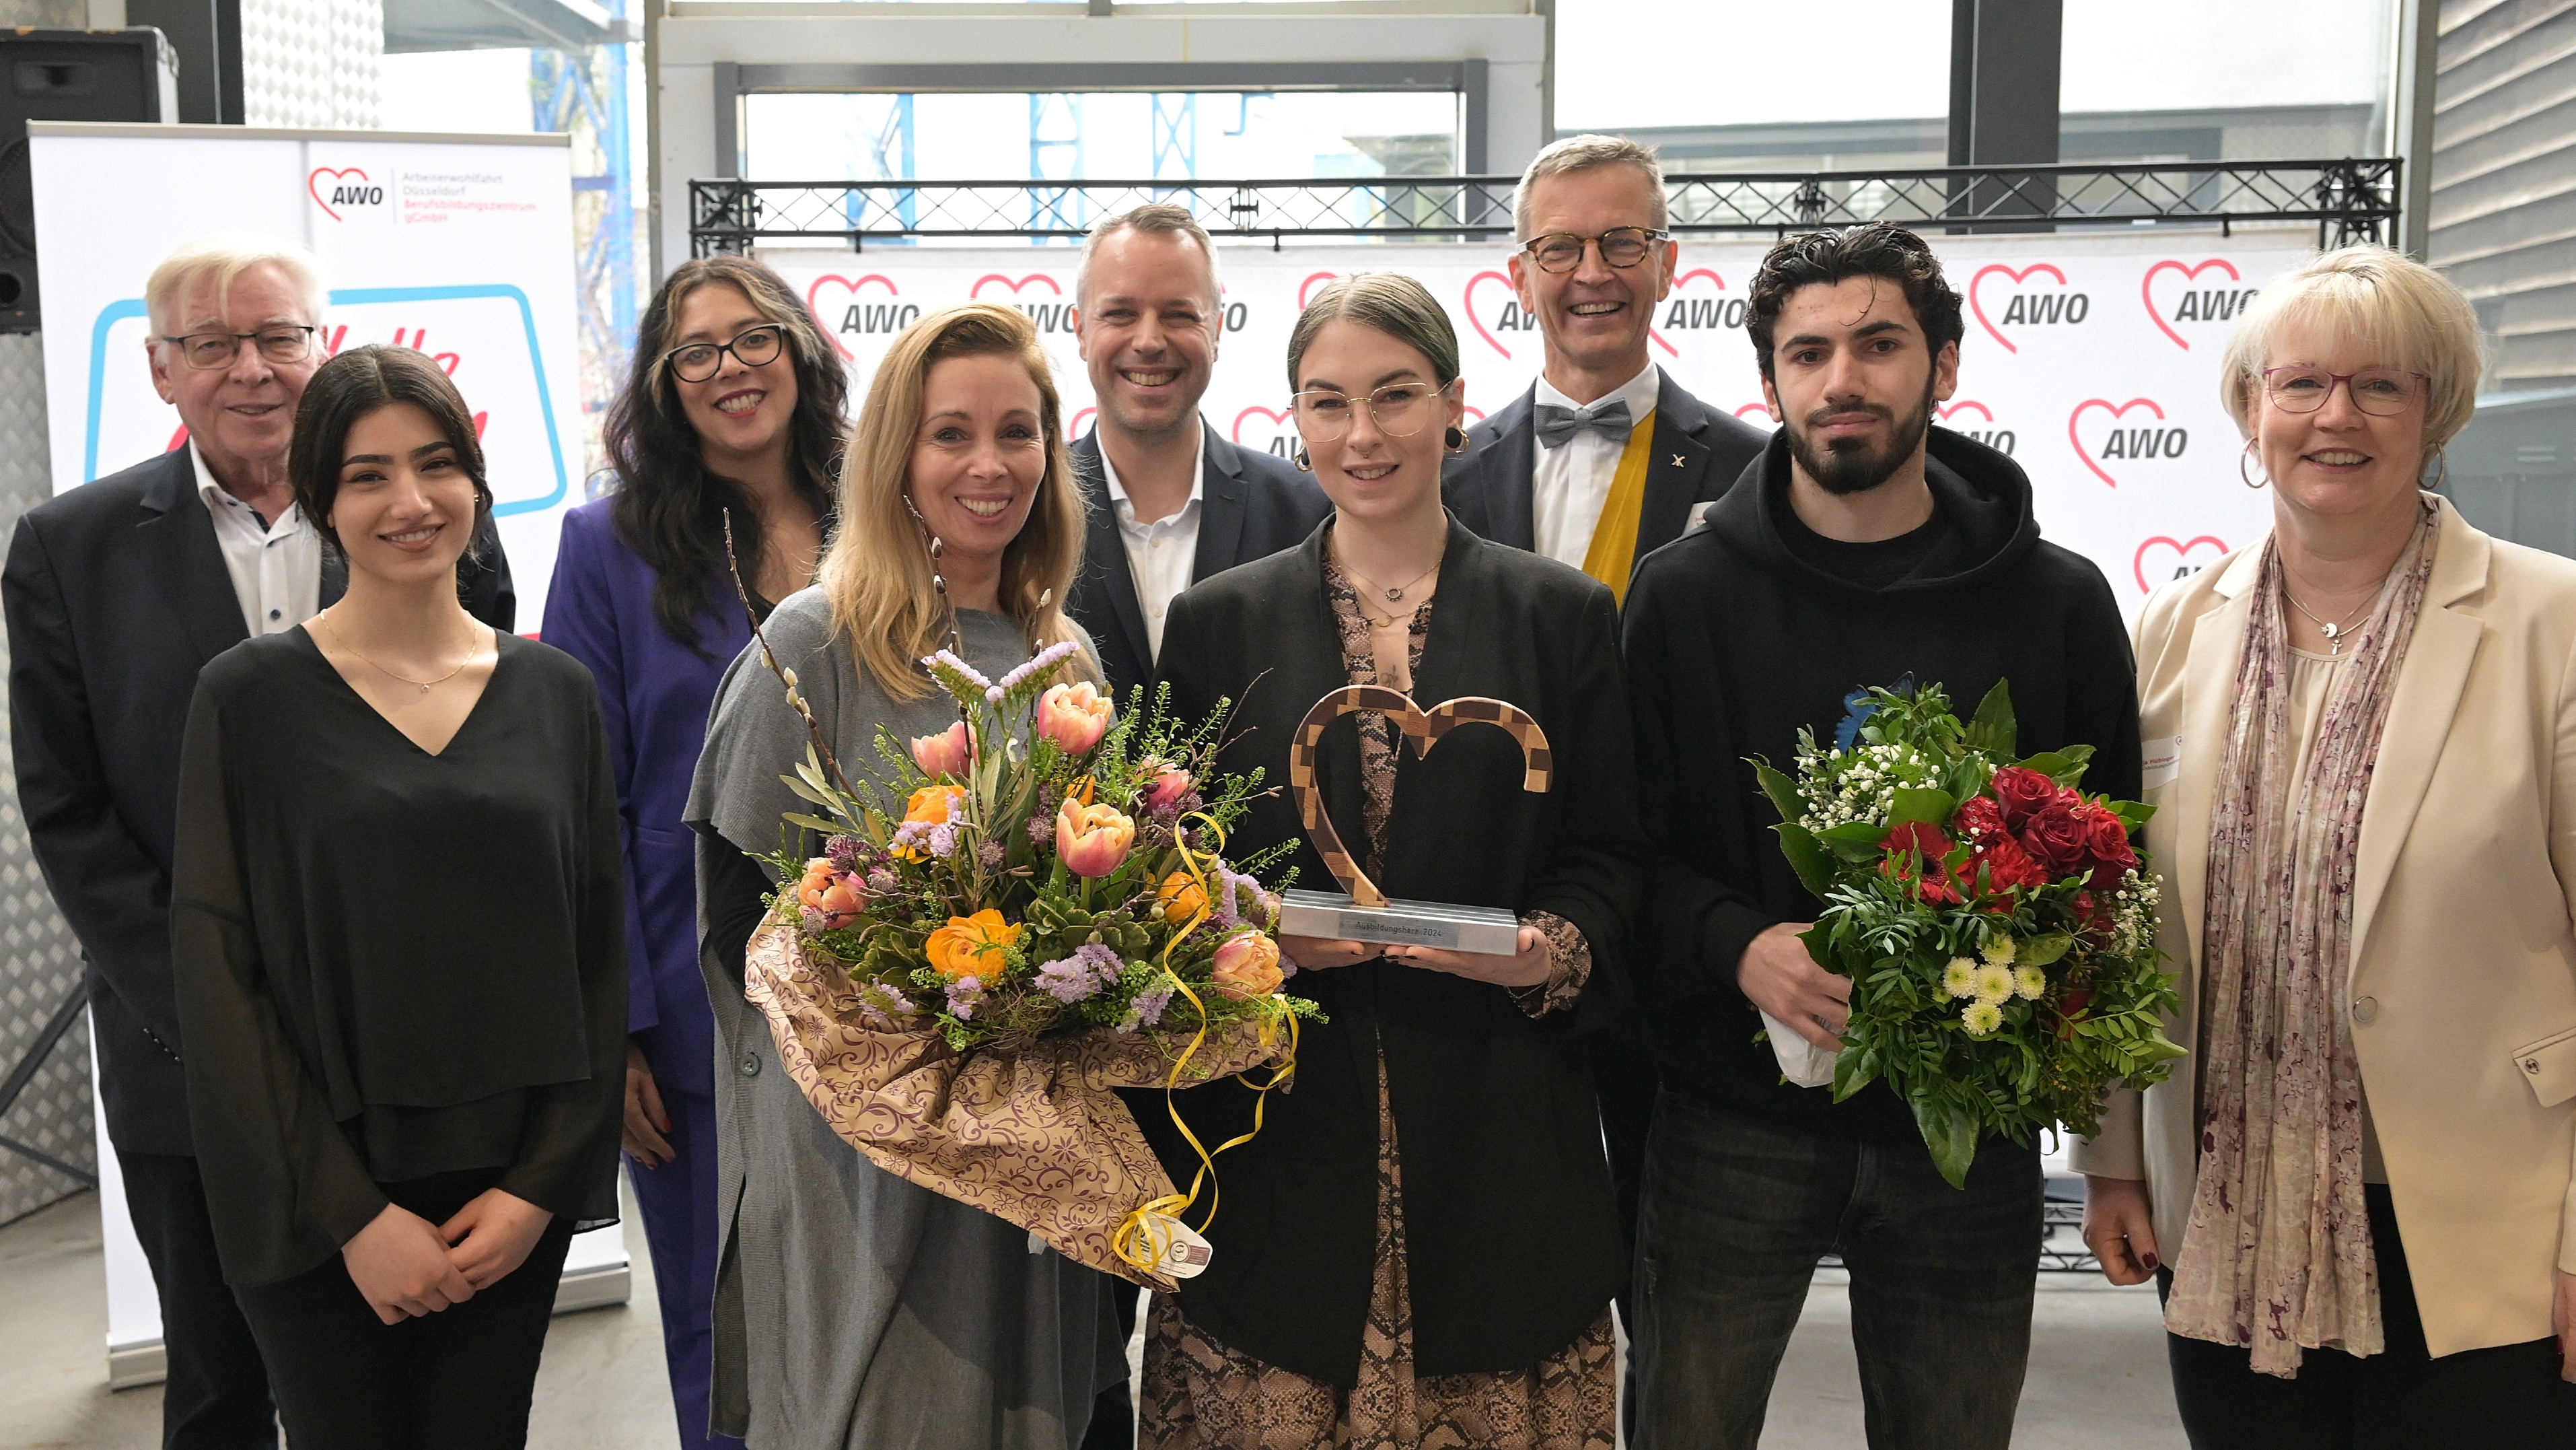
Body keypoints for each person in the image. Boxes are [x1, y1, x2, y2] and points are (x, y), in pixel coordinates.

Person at [1619, 223, 2140, 1450]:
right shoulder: (1681, 596)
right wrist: (1739, 943)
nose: (1841, 379)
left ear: (1944, 365)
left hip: (1968, 1129)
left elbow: (2110, 866)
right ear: (1770, 382)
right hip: (1729, 1115)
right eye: (1807, 353)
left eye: (1879, 345)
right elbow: (1618, 850)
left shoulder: (2058, 601)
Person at [3, 234, 511, 1450]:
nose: (251, 368)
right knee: (220, 1384)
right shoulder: (70, 549)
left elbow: (476, 773)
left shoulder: (422, 522)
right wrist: (216, 1009)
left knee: (407, 1389)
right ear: (159, 368)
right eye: (212, 343)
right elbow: (71, 813)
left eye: (279, 336)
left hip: (406, 1049)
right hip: (186, 1059)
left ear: (319, 349)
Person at [1136, 271, 1647, 1449]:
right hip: (1274, 1152)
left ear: (1454, 404)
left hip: (1500, 1135)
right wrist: (1255, 932)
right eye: (1328, 402)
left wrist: (1544, 951)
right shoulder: (1216, 622)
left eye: (1394, 394)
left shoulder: (1560, 613)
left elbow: (1613, 851)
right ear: (1296, 419)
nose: (1361, 434)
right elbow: (1167, 868)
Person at [2074, 246, 2576, 1444]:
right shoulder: (2171, 626)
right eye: (2300, 383)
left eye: (2380, 385)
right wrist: (2112, 1156)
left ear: (2436, 412)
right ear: (2251, 408)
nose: (2334, 416)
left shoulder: (2549, 624)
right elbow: (2120, 921)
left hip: (2486, 1226)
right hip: (2228, 1210)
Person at [166, 345, 622, 1445]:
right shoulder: (248, 696)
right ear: (320, 499)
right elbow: (218, 974)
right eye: (368, 474)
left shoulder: (555, 692)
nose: (411, 501)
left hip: (505, 1195)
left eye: (435, 464)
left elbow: (598, 959)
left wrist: (538, 1189)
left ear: (475, 478)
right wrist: (353, 1216)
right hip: (317, 1195)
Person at [685, 301, 1121, 1450]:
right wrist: (904, 1056)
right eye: (950, 433)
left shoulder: (1066, 662)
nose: (991, 465)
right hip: (860, 1174)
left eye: (1018, 432)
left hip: (1029, 1165)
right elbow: (737, 931)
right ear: (894, 455)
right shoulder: (814, 643)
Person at [1438, 141, 1768, 1377]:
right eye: (1561, 246)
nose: (1592, 272)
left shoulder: (1756, 475)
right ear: (1517, 274)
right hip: (1494, 939)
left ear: (1667, 264)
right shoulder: (1447, 472)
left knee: (1677, 1324)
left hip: (1676, 959)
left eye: (1621, 242)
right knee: (1491, 1280)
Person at [543, 254, 844, 1450]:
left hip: (900, 984)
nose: (732, 367)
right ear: (664, 385)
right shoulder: (605, 547)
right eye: (696, 351)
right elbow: (582, 803)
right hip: (689, 1008)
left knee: (880, 1303)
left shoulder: (884, 511)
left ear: (799, 349)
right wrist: (612, 1027)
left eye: (754, 336)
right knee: (723, 1323)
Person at [1065, 202, 1329, 704]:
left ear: (1216, 332)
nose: (1149, 340)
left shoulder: (1306, 511)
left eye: (1178, 315)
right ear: (1081, 330)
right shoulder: (1030, 506)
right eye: (1120, 314)